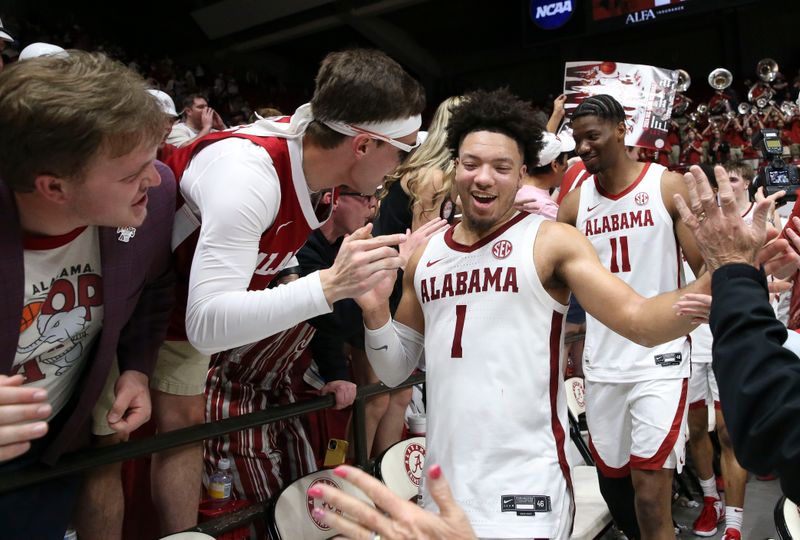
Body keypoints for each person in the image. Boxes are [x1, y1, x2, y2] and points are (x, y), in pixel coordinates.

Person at [356, 88, 708, 539]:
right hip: (444, 489)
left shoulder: (551, 241)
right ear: (455, 168)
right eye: (471, 164)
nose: (484, 178)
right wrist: (374, 313)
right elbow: (393, 368)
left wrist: (723, 271)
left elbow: (640, 322)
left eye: (501, 168)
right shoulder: (423, 255)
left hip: (528, 489)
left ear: (521, 174)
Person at [156, 48, 424, 534]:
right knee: (108, 457)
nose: (400, 168)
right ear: (362, 146)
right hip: (132, 306)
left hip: (175, 314)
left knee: (181, 438)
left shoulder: (312, 163)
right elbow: (206, 324)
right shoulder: (249, 173)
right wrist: (328, 285)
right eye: (401, 150)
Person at [0, 50, 174, 539]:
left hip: (53, 448)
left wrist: (137, 366)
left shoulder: (152, 202)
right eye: (131, 172)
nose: (155, 178)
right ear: (54, 186)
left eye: (153, 158)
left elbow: (154, 285)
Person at [558, 93, 704, 540]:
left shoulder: (666, 185)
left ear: (622, 129)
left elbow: (704, 268)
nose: (583, 148)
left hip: (659, 359)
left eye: (593, 136)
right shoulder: (574, 205)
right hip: (602, 363)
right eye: (577, 139)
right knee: (616, 490)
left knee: (649, 491)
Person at [673, 164, 800, 504]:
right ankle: (712, 500)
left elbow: (767, 429)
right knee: (700, 427)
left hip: (746, 327)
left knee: (729, 431)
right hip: (738, 328)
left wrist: (737, 294)